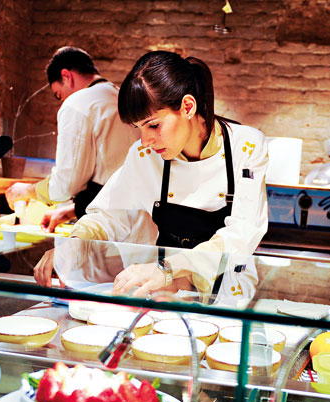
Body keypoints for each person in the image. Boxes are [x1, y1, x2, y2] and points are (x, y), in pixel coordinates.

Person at [34, 50, 269, 303]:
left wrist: (167, 270)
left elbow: (242, 233)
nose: (145, 140)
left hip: (226, 295)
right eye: (139, 128)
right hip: (165, 295)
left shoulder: (246, 146)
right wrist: (72, 245)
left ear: (187, 107)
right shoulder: (147, 155)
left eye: (153, 125)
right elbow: (111, 213)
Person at [4, 46, 137, 231]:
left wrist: (26, 191)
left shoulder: (77, 103)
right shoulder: (121, 96)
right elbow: (112, 178)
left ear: (66, 76)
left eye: (59, 94)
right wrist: (69, 212)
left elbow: (65, 185)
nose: (62, 101)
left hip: (108, 229)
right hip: (135, 221)